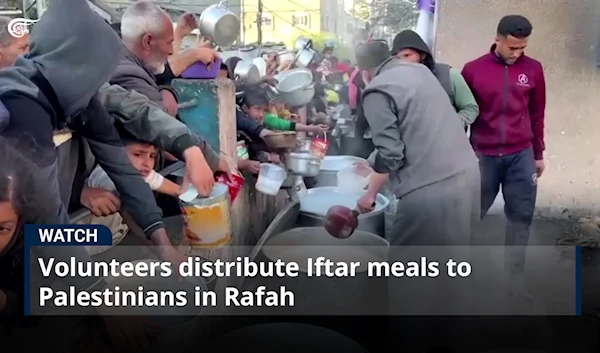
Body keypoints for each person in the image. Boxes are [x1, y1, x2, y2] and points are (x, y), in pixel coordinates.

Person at [0, 0, 185, 276]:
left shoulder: (75, 102)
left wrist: (162, 242)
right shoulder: (22, 110)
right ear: (77, 67)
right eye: (97, 76)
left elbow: (122, 168)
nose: (100, 88)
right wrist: (99, 297)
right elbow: (49, 221)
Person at [354, 40, 480, 246]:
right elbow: (413, 132)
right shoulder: (422, 73)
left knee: (408, 265)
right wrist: (370, 163)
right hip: (468, 178)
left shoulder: (376, 90)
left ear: (365, 74)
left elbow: (391, 155)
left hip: (430, 190)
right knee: (452, 261)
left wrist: (369, 195)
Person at [110, 2, 229, 198]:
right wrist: (206, 157)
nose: (172, 51)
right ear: (148, 41)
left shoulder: (129, 61)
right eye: (169, 43)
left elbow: (162, 72)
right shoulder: (126, 72)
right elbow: (161, 119)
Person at [461, 15, 546, 281]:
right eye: (512, 47)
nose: (517, 53)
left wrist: (538, 153)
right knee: (471, 215)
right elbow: (463, 112)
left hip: (520, 155)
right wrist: (463, 151)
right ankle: (466, 272)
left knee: (521, 218)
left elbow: (537, 113)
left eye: (522, 47)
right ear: (497, 39)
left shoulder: (533, 69)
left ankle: (513, 279)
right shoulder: (473, 70)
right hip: (482, 155)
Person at [391, 29, 479, 128]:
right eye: (397, 58)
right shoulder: (395, 83)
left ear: (422, 55)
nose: (402, 62)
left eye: (407, 55)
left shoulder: (449, 75)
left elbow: (470, 108)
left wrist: (451, 126)